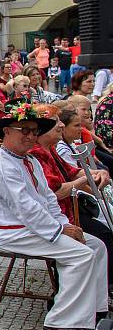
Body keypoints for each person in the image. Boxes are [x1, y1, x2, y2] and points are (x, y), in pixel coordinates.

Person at [0, 106, 108, 330]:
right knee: (82, 254)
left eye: (34, 131)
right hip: (10, 231)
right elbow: (25, 208)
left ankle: (95, 311)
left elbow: (47, 199)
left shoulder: (29, 160)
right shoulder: (0, 164)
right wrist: (59, 229)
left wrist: (64, 224)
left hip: (29, 227)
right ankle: (63, 319)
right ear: (6, 131)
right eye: (23, 130)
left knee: (96, 245)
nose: (29, 136)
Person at [28, 104, 113, 290]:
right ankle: (100, 287)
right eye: (55, 122)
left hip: (66, 212)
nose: (60, 126)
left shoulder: (49, 149)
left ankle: (98, 291)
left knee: (103, 233)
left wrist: (96, 173)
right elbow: (56, 191)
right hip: (56, 217)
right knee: (103, 235)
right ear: (41, 130)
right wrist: (85, 179)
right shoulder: (36, 154)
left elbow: (72, 172)